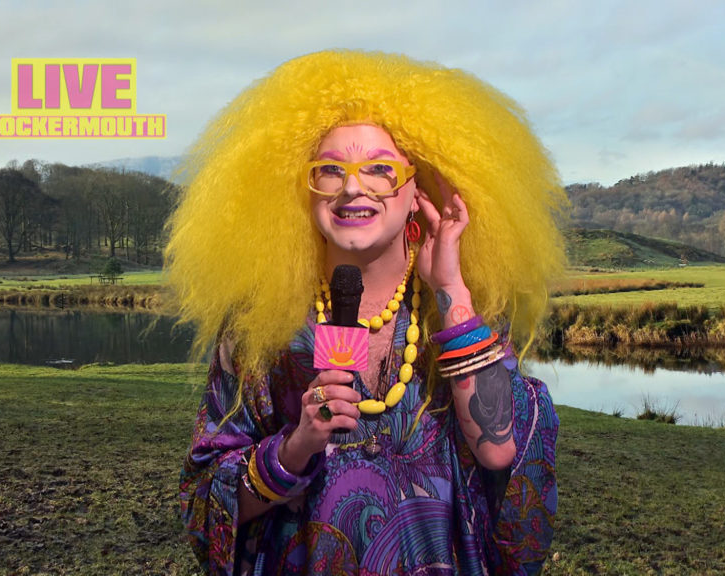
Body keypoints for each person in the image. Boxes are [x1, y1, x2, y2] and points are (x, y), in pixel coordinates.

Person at [169, 50, 567, 576]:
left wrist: (450, 288)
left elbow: (502, 456)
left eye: (379, 170)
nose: (352, 187)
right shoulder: (257, 327)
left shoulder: (461, 312)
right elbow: (207, 506)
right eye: (329, 170)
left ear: (416, 188)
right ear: (301, 191)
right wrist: (294, 448)